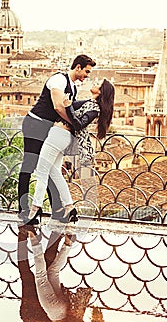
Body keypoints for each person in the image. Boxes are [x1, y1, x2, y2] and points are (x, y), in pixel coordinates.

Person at [17, 225, 107, 322]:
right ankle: (32, 235)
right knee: (35, 273)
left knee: (32, 274)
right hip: (44, 313)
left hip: (33, 316)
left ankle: (33, 236)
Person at [18, 54, 96, 224]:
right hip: (35, 124)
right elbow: (58, 106)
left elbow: (70, 109)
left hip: (48, 128)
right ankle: (23, 210)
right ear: (78, 67)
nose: (86, 76)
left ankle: (58, 209)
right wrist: (76, 125)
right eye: (86, 72)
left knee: (49, 168)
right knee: (29, 166)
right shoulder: (58, 80)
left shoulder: (73, 88)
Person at [28, 78, 115, 224]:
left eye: (98, 84)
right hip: (59, 135)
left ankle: (35, 210)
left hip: (59, 136)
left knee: (41, 171)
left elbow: (79, 124)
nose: (94, 83)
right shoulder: (90, 103)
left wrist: (68, 106)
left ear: (101, 91)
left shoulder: (94, 109)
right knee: (54, 172)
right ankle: (69, 208)